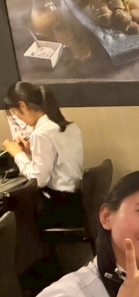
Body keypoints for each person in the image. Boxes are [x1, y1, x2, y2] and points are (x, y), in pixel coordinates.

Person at [2, 82, 85, 228]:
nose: (18, 118)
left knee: (13, 211)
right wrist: (30, 151)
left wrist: (17, 154)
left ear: (22, 105)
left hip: (60, 207)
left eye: (14, 113)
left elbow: (38, 181)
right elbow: (59, 159)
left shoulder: (41, 133)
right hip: (76, 201)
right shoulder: (69, 127)